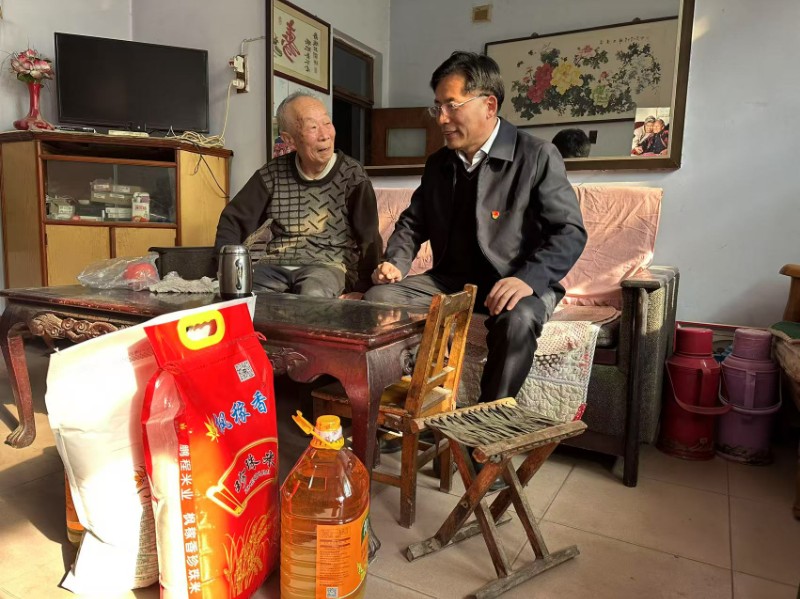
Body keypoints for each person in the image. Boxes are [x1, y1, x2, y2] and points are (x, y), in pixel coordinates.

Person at [364, 51, 587, 409]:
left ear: (489, 105)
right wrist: (396, 261)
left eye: (451, 106)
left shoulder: (536, 155)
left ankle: (487, 420)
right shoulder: (439, 164)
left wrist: (528, 278)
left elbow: (569, 231)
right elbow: (414, 221)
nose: (442, 118)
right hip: (452, 281)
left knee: (518, 320)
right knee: (378, 298)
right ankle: (414, 402)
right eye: (437, 107)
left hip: (514, 278)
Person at [214, 91, 382, 297]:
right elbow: (233, 220)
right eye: (313, 127)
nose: (325, 135)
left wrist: (364, 289)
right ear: (289, 139)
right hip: (275, 265)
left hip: (328, 266)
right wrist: (224, 271)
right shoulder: (272, 174)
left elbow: (369, 237)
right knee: (243, 295)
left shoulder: (352, 175)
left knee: (313, 295)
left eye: (327, 123)